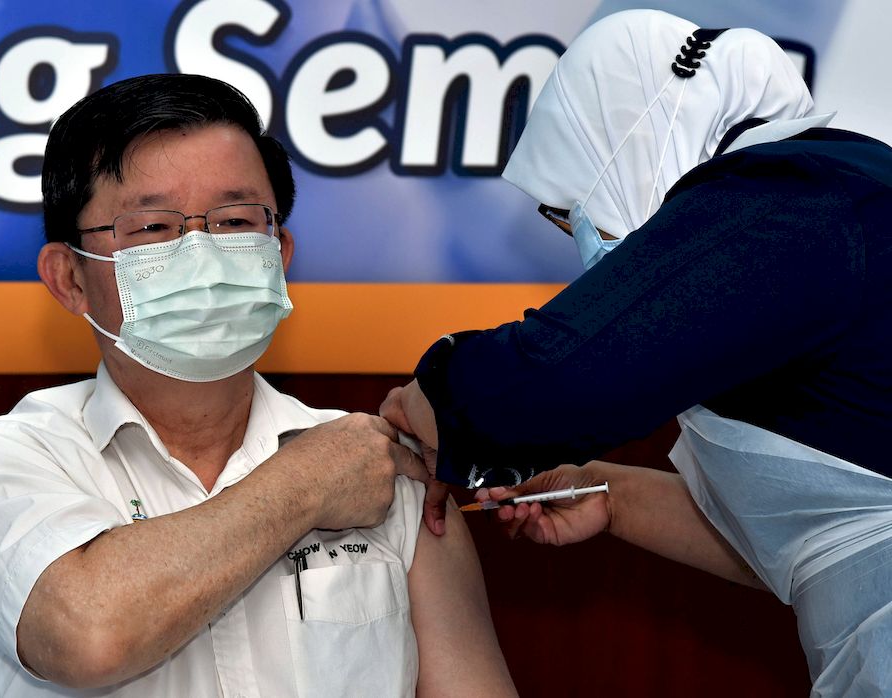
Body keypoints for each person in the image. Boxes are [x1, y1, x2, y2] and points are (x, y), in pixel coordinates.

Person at [0, 73, 516, 697]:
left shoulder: (383, 467)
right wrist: (306, 486)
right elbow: (88, 634)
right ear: (70, 278)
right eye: (152, 227)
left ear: (279, 256)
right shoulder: (1, 461)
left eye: (235, 220)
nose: (202, 254)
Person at [380, 9, 892, 696]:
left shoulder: (798, 199)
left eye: (573, 212)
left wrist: (434, 402)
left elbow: (553, 382)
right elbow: (819, 542)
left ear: (638, 141)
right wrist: (609, 494)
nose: (582, 242)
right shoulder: (826, 212)